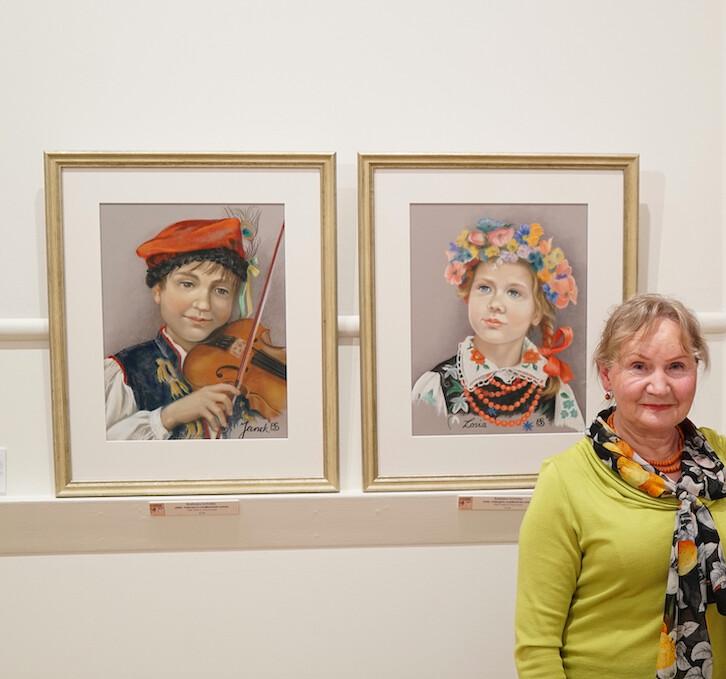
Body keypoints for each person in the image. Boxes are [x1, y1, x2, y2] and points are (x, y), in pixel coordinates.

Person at [515, 294, 726, 678]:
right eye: (639, 366)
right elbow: (536, 647)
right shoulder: (566, 480)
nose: (659, 386)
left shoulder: (722, 457)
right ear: (607, 375)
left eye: (676, 366)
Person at [412, 218, 583, 431]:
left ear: (537, 312)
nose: (495, 304)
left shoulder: (554, 390)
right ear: (468, 294)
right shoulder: (436, 385)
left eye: (514, 292)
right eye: (484, 288)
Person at [104, 216, 256, 440]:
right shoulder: (126, 371)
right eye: (187, 284)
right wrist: (169, 416)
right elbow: (100, 450)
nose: (204, 304)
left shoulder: (247, 372)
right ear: (158, 290)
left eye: (221, 290)